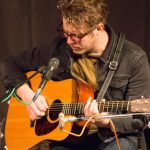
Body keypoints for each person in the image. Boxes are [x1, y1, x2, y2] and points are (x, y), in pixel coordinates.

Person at [0, 0, 150, 149]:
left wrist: (103, 121)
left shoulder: (134, 59)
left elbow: (138, 119)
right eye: (65, 33)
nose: (69, 41)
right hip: (70, 138)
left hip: (112, 136)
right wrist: (27, 96)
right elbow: (9, 64)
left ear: (98, 28)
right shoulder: (60, 48)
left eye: (76, 36)